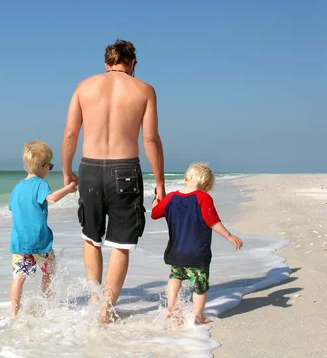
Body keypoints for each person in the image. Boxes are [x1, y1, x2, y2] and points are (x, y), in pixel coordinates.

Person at [61, 39, 166, 322]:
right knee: (120, 244)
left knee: (91, 238)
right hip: (126, 171)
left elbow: (71, 133)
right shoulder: (144, 90)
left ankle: (96, 299)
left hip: (90, 170)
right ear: (132, 63)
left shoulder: (84, 86)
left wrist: (67, 170)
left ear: (106, 64)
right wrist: (160, 183)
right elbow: (150, 140)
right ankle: (107, 308)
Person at [151, 162, 243, 324]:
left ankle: (171, 306)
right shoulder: (203, 197)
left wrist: (156, 202)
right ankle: (198, 317)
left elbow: (155, 214)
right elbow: (212, 221)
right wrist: (229, 236)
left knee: (175, 277)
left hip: (176, 251)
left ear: (186, 179)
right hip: (197, 253)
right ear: (207, 186)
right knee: (200, 286)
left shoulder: (171, 197)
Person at [9, 140, 78, 316]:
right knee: (48, 271)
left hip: (20, 242)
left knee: (18, 278)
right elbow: (52, 199)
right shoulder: (40, 184)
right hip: (40, 241)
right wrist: (69, 188)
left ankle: (14, 312)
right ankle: (48, 305)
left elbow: (13, 209)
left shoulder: (16, 189)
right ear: (44, 166)